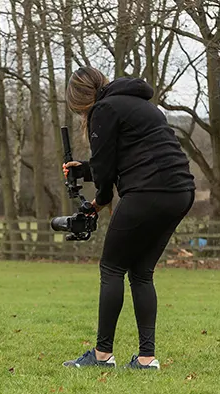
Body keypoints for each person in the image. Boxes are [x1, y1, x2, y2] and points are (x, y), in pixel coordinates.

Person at [61, 67, 195, 370]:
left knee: (111, 267)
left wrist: (99, 200)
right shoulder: (141, 105)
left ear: (79, 100)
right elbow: (119, 160)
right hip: (181, 192)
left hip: (147, 191)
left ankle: (102, 354)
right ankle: (147, 359)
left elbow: (108, 172)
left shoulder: (103, 110)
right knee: (141, 272)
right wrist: (82, 169)